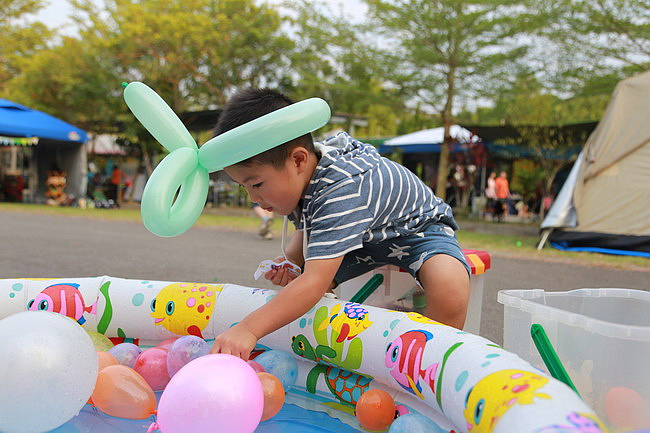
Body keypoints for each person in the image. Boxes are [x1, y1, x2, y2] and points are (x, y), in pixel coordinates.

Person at [210, 88, 470, 360]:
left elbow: (314, 280)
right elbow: (309, 222)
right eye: (244, 188)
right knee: (302, 281)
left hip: (416, 231)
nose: (254, 198)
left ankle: (428, 361)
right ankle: (320, 350)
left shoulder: (341, 187)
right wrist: (290, 259)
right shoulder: (302, 179)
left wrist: (248, 329)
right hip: (365, 239)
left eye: (257, 184)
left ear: (298, 160)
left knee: (449, 286)